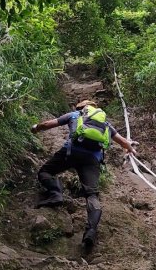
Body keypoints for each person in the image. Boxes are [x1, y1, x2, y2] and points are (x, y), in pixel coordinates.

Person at [31, 99, 137, 249]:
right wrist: (130, 149)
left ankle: (56, 194)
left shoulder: (75, 115)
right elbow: (123, 142)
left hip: (70, 152)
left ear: (81, 107)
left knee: (45, 172)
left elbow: (48, 124)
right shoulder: (104, 123)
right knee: (92, 195)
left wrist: (36, 128)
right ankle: (91, 232)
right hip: (92, 160)